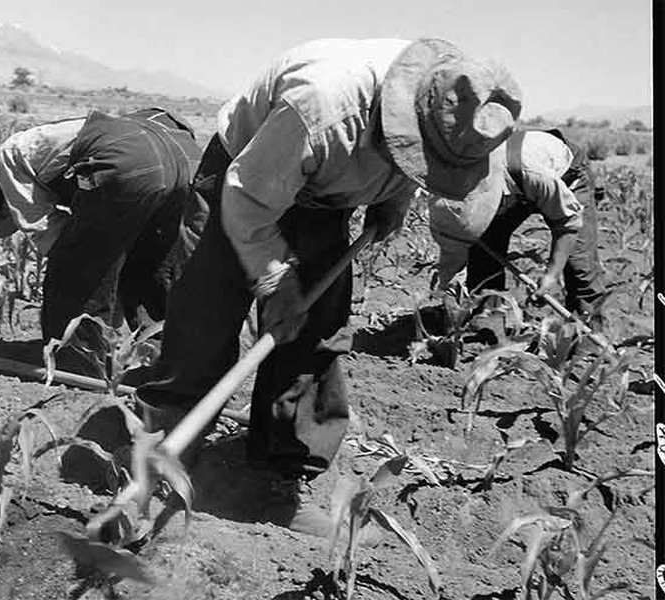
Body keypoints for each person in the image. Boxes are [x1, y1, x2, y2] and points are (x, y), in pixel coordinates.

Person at [133, 38, 522, 534]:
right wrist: (276, 278)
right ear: (403, 118)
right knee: (206, 314)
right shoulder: (322, 105)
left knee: (316, 332)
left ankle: (279, 479)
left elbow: (413, 158)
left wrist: (391, 200)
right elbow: (248, 199)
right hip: (247, 172)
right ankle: (164, 448)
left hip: (327, 193)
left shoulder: (456, 110)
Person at [0, 107, 208, 344]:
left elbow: (55, 237)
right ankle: (166, 363)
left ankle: (76, 362)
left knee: (73, 269)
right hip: (184, 160)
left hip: (127, 158)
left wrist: (97, 288)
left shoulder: (9, 160)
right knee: (151, 268)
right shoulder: (48, 147)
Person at [428, 128, 606, 328]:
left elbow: (567, 223)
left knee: (579, 263)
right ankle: (488, 319)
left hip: (566, 172)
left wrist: (551, 276)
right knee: (485, 246)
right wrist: (449, 286)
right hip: (515, 179)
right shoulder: (462, 181)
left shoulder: (534, 175)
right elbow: (453, 238)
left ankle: (588, 334)